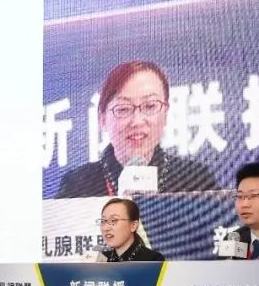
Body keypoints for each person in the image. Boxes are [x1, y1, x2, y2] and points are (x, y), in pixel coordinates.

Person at [55, 61, 220, 198]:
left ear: (165, 113)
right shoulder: (76, 186)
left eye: (150, 106)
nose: (137, 121)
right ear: (102, 118)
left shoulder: (195, 180)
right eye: (123, 109)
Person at [97, 197, 164, 262]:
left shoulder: (153, 260)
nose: (105, 228)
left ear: (133, 225)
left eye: (113, 220)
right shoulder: (102, 259)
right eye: (103, 221)